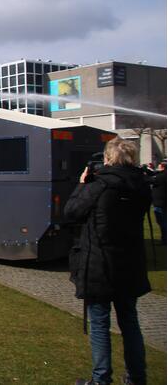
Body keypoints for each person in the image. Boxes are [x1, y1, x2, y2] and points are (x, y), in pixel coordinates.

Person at [64, 138, 151, 385]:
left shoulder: (99, 185)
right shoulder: (141, 186)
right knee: (130, 322)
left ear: (109, 158)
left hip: (99, 265)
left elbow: (72, 212)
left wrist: (82, 184)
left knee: (100, 324)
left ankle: (101, 379)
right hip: (130, 264)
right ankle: (137, 377)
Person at [148, 160, 166, 245]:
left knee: (162, 223)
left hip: (160, 202)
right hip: (163, 201)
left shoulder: (161, 176)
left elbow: (149, 179)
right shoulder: (163, 175)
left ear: (162, 167)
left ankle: (165, 239)